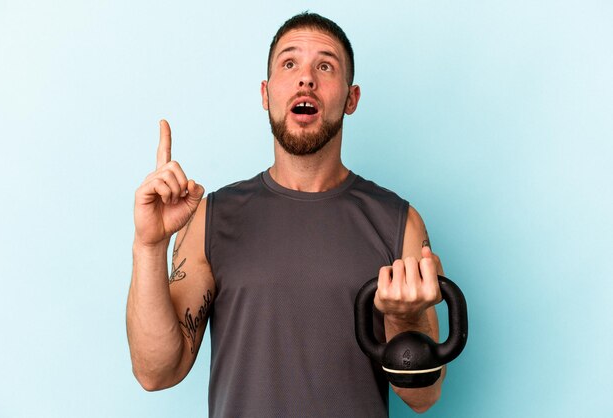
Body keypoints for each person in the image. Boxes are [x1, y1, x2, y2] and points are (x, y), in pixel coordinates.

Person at [127, 12, 447, 417]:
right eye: (289, 63)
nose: (306, 79)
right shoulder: (210, 218)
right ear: (266, 93)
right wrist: (150, 245)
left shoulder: (398, 223)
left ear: (351, 98)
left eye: (325, 66)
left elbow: (424, 397)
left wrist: (404, 318)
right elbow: (157, 373)